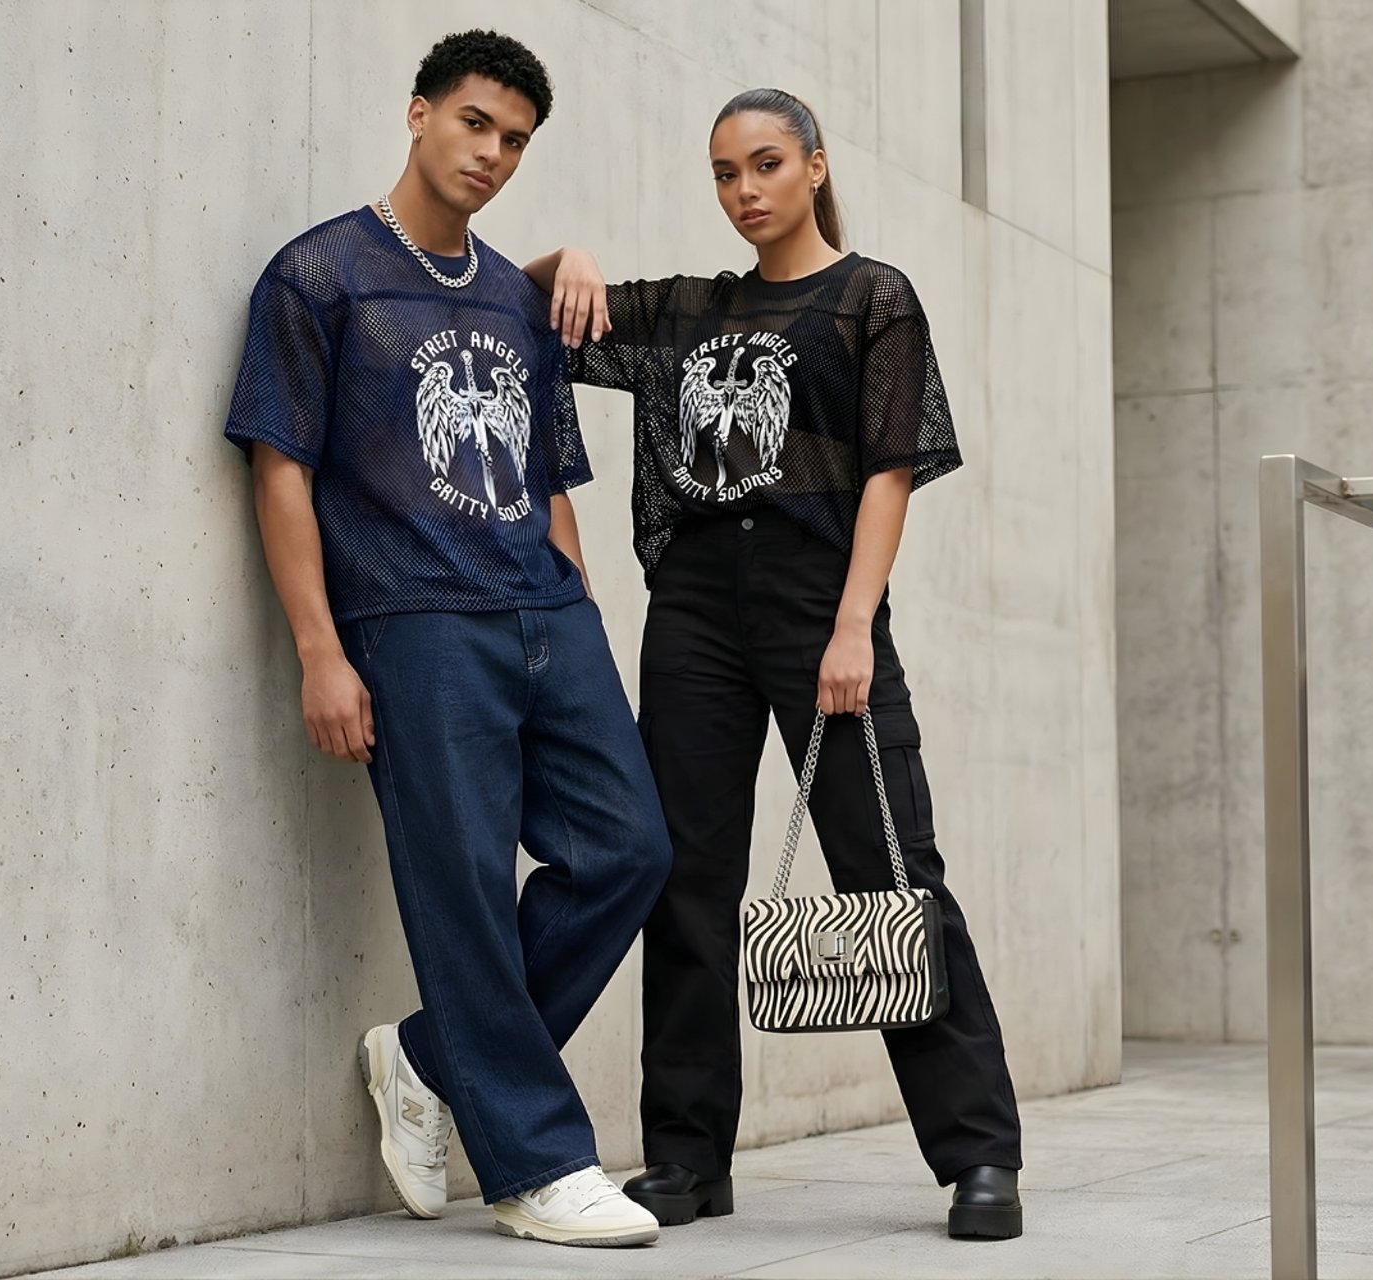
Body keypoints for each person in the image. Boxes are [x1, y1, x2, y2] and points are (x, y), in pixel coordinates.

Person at [524, 87, 1025, 1241]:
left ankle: (979, 1155)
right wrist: (574, 251)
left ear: (812, 164)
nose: (744, 189)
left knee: (893, 869)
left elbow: (891, 468)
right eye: (723, 172)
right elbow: (529, 295)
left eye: (763, 164)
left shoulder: (870, 297)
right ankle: (688, 1157)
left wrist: (856, 624)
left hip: (818, 603)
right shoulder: (691, 308)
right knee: (685, 878)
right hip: (695, 608)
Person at [222, 29, 670, 1249]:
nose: (494, 153)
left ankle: (425, 1057)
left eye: (517, 140)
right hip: (412, 622)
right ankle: (536, 1164)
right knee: (463, 883)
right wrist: (320, 648)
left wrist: (573, 596)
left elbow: (550, 472)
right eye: (476, 123)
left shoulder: (524, 300)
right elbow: (280, 469)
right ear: (419, 114)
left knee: (629, 849)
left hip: (543, 608)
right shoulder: (321, 275)